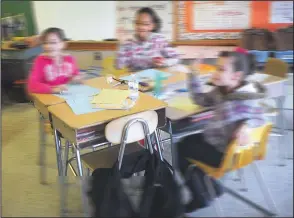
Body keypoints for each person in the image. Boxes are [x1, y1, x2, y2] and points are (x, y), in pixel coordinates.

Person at [176, 48, 267, 175]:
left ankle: (202, 187)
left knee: (176, 148)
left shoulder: (246, 97)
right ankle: (200, 181)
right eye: (216, 68)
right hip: (214, 140)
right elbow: (200, 99)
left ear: (237, 75)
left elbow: (260, 118)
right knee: (183, 141)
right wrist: (193, 74)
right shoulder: (221, 90)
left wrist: (246, 126)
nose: (215, 72)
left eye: (221, 69)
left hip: (225, 153)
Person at [116, 7, 179, 71]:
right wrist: (121, 44)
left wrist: (164, 62)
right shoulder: (129, 42)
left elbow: (175, 58)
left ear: (153, 26)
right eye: (137, 23)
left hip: (155, 78)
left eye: (145, 24)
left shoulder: (159, 40)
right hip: (135, 78)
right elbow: (119, 66)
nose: (141, 27)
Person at [27, 27, 82, 94]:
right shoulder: (40, 60)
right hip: (48, 96)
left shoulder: (69, 58)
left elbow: (75, 74)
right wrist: (53, 89)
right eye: (45, 43)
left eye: (53, 42)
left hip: (67, 95)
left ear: (62, 44)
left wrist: (76, 78)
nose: (48, 46)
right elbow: (32, 85)